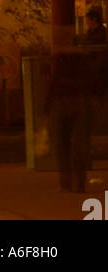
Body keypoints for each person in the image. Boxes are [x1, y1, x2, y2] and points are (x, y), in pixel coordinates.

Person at [46, 46, 94, 193]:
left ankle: (66, 183)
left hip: (62, 103)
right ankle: (79, 183)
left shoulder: (59, 61)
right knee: (79, 145)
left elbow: (53, 85)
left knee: (62, 145)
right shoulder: (83, 63)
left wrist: (47, 107)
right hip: (79, 102)